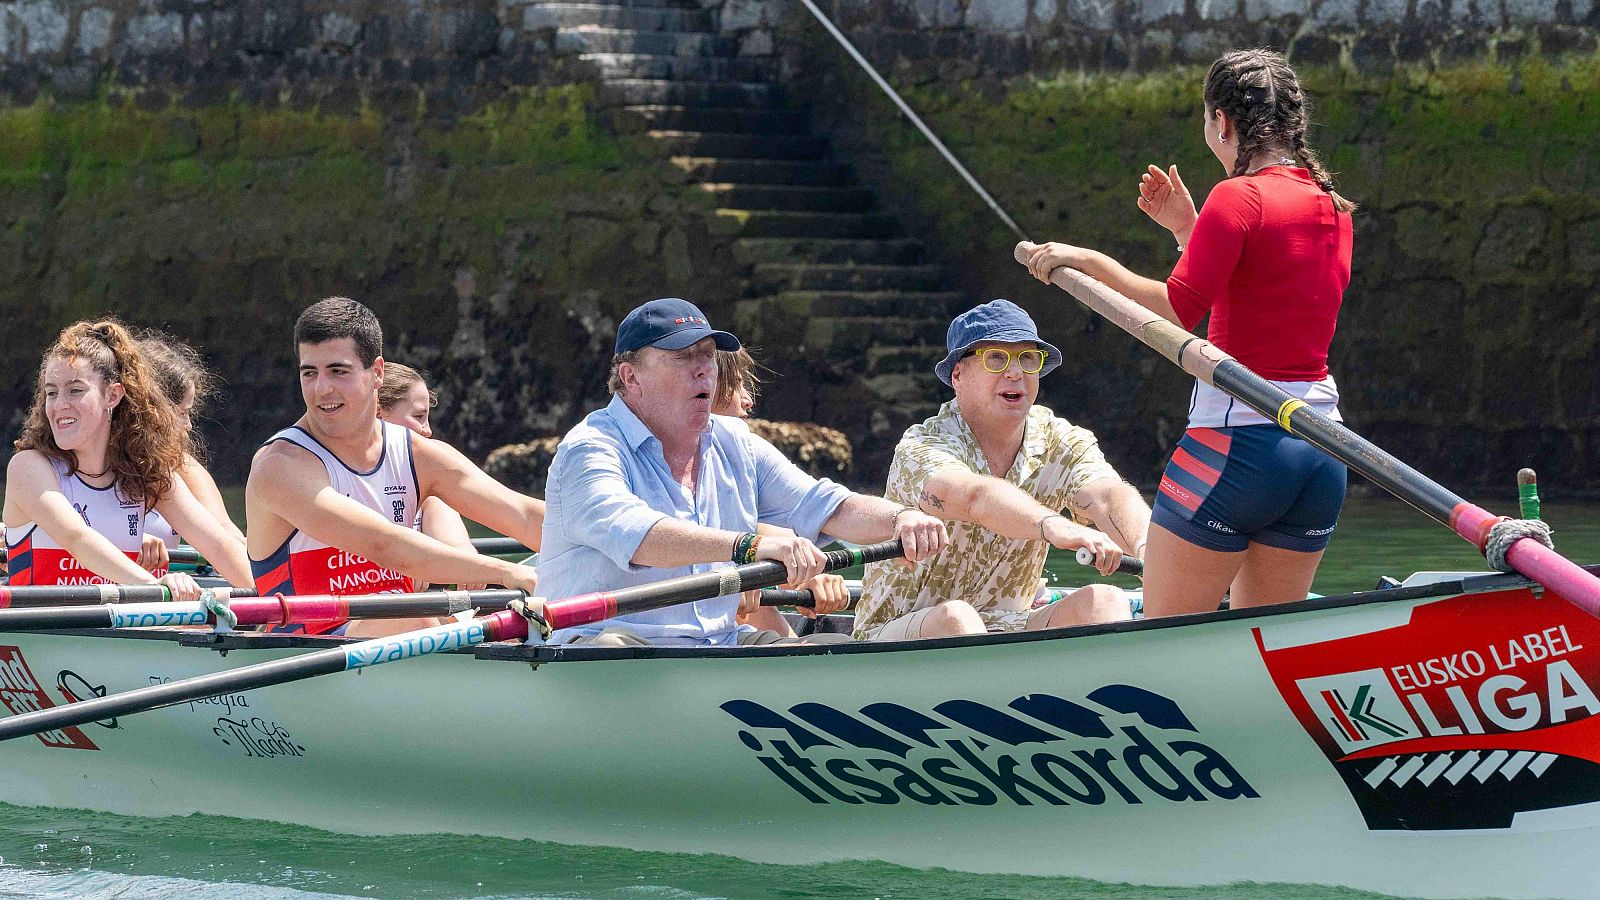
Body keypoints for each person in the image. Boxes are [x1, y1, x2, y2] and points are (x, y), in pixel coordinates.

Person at [1021, 48, 1353, 616]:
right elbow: (1259, 294)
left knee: (1167, 635)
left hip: (1236, 449)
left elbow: (1176, 311)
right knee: (1260, 646)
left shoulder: (1238, 197)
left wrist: (1085, 259)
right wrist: (1189, 230)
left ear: (1221, 122)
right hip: (1322, 454)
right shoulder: (1332, 206)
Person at [538, 297, 949, 646]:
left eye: (708, 357)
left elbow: (825, 505)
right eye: (683, 358)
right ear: (631, 377)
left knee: (836, 652)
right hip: (604, 644)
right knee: (615, 651)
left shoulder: (735, 440)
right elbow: (638, 535)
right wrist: (750, 547)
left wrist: (901, 518)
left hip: (717, 646)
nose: (704, 370)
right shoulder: (589, 448)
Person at [852, 300, 1150, 641]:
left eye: (1027, 359)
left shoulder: (1060, 439)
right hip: (896, 632)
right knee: (957, 617)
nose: (1015, 373)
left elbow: (1108, 497)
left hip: (1007, 625)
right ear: (958, 375)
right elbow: (975, 497)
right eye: (996, 358)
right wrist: (1054, 527)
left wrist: (1147, 550)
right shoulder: (921, 447)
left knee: (1105, 600)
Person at [245, 297, 543, 637]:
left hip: (394, 637)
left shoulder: (415, 453)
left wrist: (611, 544)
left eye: (338, 372)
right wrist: (503, 573)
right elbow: (384, 546)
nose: (321, 389)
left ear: (377, 373)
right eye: (309, 373)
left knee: (462, 622)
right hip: (306, 646)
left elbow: (522, 514)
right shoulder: (280, 465)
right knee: (422, 621)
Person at [4, 320, 254, 599]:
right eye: (52, 392)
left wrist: (271, 603)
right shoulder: (29, 467)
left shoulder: (144, 472)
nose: (59, 404)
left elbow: (218, 544)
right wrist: (156, 589)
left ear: (112, 395)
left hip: (121, 627)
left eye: (75, 390)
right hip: (44, 634)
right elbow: (77, 538)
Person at [711, 348, 852, 638]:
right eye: (736, 386)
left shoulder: (743, 454)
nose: (748, 400)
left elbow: (774, 538)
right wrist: (727, 576)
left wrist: (810, 579)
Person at [137, 330, 248, 562]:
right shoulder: (93, 460)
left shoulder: (181, 466)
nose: (188, 425)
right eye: (180, 413)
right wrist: (124, 541)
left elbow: (225, 532)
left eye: (189, 413)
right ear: (149, 411)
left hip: (158, 590)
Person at [377, 362, 485, 590]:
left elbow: (444, 522)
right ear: (378, 415)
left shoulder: (424, 482)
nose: (428, 430)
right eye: (419, 416)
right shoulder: (337, 476)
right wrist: (414, 558)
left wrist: (464, 555)